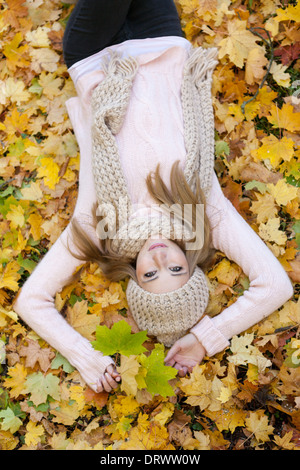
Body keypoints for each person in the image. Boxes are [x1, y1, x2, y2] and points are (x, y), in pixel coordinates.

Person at [13, 0, 293, 394]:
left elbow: (32, 301)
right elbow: (275, 285)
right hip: (160, 39)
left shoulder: (98, 228)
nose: (161, 259)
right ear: (191, 265)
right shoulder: (204, 214)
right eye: (176, 270)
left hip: (95, 59)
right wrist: (205, 339)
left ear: (133, 276)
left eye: (150, 274)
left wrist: (86, 356)